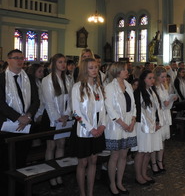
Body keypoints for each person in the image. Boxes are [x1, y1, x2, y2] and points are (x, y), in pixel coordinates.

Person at [0, 49, 40, 194]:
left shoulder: (29, 78)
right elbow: (1, 103)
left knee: (22, 159)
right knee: (6, 161)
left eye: (21, 58)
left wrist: (28, 116)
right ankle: (6, 189)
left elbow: (36, 100)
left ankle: (21, 189)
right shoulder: (1, 78)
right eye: (15, 58)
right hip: (7, 127)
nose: (19, 60)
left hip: (27, 125)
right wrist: (18, 117)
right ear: (8, 60)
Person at [70, 58, 106, 196]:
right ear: (85, 69)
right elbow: (76, 112)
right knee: (83, 162)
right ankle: (82, 193)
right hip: (83, 129)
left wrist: (102, 125)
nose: (95, 70)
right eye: (91, 67)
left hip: (98, 127)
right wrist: (91, 128)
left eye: (96, 67)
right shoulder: (77, 87)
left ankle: (90, 192)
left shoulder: (98, 87)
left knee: (93, 160)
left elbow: (102, 109)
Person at [105, 62, 137, 195]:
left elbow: (134, 105)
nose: (127, 71)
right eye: (124, 70)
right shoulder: (109, 87)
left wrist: (133, 120)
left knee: (124, 155)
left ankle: (120, 182)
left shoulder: (128, 85)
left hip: (129, 124)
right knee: (115, 155)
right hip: (116, 125)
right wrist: (122, 123)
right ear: (117, 71)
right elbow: (109, 108)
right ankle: (112, 183)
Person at [41, 53, 72, 188]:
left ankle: (58, 174)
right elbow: (49, 102)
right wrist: (57, 117)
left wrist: (66, 115)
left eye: (64, 62)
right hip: (51, 117)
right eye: (60, 62)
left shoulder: (68, 79)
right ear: (54, 64)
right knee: (51, 146)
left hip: (64, 117)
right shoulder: (47, 80)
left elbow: (71, 99)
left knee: (61, 144)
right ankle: (51, 176)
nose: (63, 64)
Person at [133, 70, 163, 185]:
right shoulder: (138, 92)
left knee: (148, 151)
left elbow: (155, 109)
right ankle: (138, 176)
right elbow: (138, 111)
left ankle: (144, 173)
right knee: (141, 151)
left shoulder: (152, 90)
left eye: (153, 78)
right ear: (143, 79)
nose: (152, 80)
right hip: (142, 125)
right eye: (150, 78)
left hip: (152, 124)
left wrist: (157, 121)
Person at [150, 67, 177, 174]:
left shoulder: (163, 86)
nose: (164, 78)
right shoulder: (153, 88)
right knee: (155, 141)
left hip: (165, 115)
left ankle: (160, 161)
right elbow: (154, 104)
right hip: (158, 116)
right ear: (156, 76)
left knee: (162, 141)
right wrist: (164, 103)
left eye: (165, 76)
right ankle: (153, 163)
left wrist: (171, 99)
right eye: (162, 77)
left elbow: (166, 100)